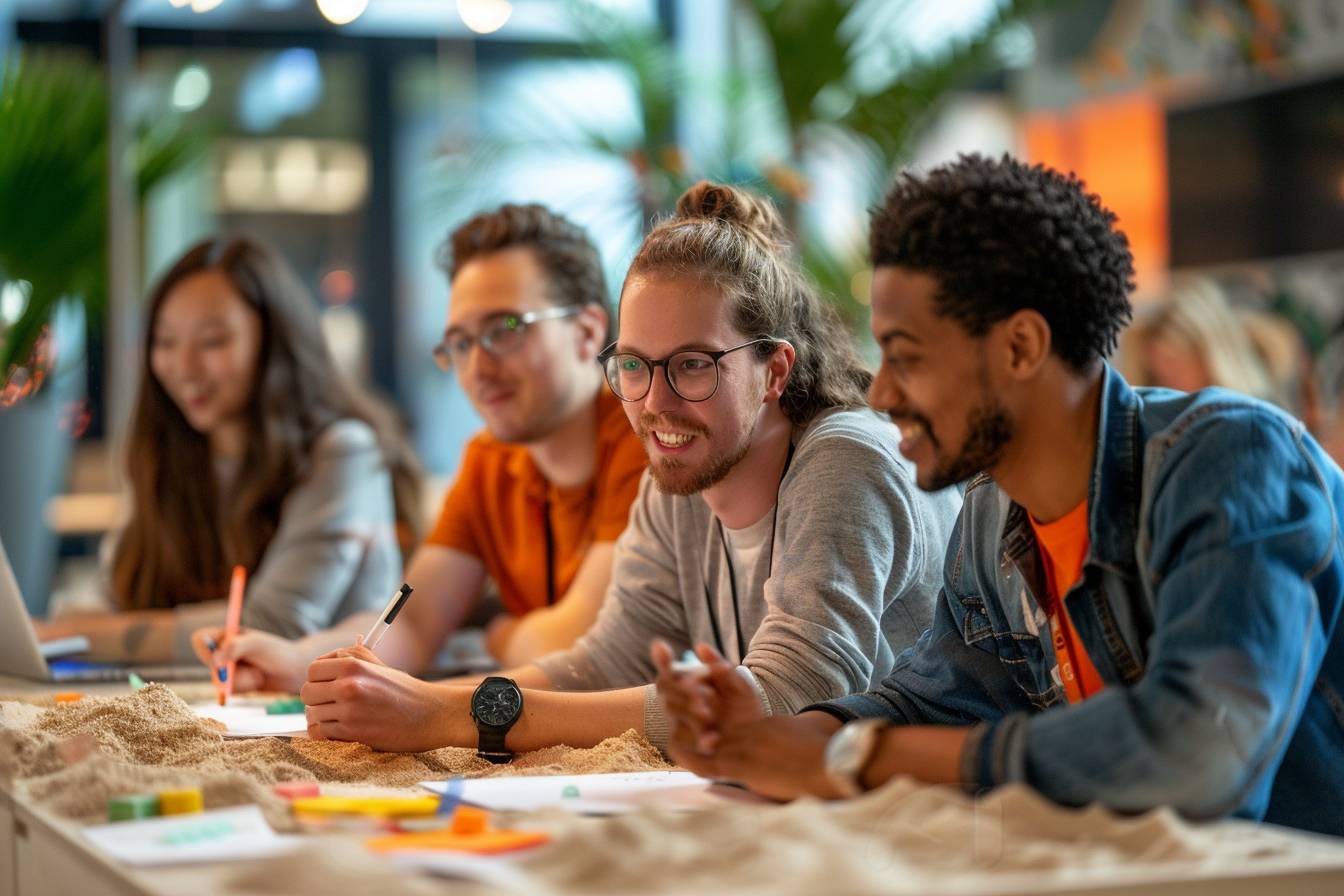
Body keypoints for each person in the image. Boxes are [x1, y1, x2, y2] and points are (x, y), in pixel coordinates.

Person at [655, 154, 1344, 838]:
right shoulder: (993, 515)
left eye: (907, 355)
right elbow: (934, 701)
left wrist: (856, 757)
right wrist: (771, 732)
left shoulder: (1234, 462)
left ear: (1020, 347)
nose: (883, 392)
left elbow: (1201, 750)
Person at [280, 181, 962, 756]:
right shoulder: (677, 479)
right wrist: (415, 703)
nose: (655, 403)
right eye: (633, 365)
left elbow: (788, 699)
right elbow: (603, 661)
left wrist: (452, 715)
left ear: (775, 369)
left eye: (693, 364)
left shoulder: (847, 461)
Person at [198, 203, 647, 682]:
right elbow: (411, 621)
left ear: (587, 332)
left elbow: (581, 646)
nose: (477, 367)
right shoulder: (491, 461)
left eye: (505, 329)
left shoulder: (642, 440)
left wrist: (501, 635)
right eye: (460, 343)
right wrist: (293, 662)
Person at [37, 235, 421, 663]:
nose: (184, 367)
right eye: (165, 342)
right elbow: (112, 596)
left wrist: (83, 634)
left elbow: (273, 626)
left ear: (274, 343)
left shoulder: (343, 452)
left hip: (313, 716)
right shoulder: (168, 456)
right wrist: (78, 626)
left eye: (213, 341)